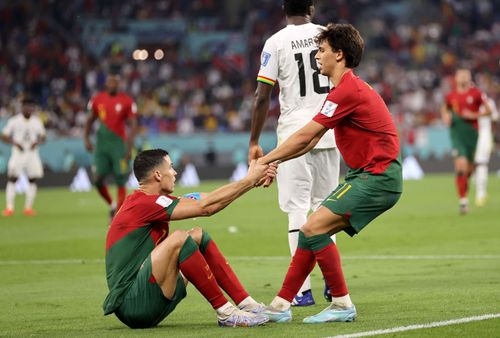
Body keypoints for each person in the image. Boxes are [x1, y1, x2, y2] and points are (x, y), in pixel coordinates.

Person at [257, 23, 402, 324]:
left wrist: (265, 160)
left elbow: (303, 135)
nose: (316, 57)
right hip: (367, 175)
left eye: (321, 51)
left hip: (377, 176)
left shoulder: (347, 90)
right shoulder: (342, 89)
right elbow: (308, 140)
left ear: (339, 54)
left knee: (311, 229)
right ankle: (281, 304)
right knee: (312, 230)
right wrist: (275, 163)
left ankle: (341, 303)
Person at [103, 148, 277, 328]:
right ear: (157, 174)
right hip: (132, 304)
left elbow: (206, 199)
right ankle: (226, 313)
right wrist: (248, 180)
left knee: (197, 235)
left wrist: (250, 181)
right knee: (179, 238)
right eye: (170, 167)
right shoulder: (142, 204)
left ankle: (248, 304)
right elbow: (205, 208)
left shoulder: (154, 201)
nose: (175, 172)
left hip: (148, 296)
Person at [248, 0, 340, 306]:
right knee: (327, 210)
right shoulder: (329, 35)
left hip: (293, 136)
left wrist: (254, 141)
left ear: (284, 9)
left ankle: (301, 290)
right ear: (312, 8)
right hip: (327, 131)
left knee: (296, 208)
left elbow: (263, 96)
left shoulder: (275, 42)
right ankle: (332, 282)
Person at [84, 73, 138, 219]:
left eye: (115, 82)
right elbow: (89, 120)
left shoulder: (126, 101)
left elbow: (133, 125)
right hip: (101, 144)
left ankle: (118, 214)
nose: (113, 84)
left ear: (119, 84)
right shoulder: (97, 99)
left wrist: (129, 147)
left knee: (120, 178)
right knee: (97, 179)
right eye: (110, 82)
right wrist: (86, 139)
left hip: (118, 144)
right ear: (106, 84)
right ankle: (112, 205)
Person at [441, 69, 492, 214]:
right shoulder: (451, 95)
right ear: (456, 78)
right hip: (457, 133)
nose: (463, 77)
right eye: (460, 75)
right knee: (461, 165)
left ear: (469, 77)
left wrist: (474, 114)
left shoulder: (476, 93)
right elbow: (444, 108)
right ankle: (463, 201)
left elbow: (489, 111)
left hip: (472, 134)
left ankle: (465, 189)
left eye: (466, 74)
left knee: (469, 169)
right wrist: (446, 116)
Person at [1, 96, 46, 216]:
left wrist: (37, 142)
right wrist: (15, 143)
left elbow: (43, 136)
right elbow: (4, 135)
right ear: (22, 107)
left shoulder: (37, 121)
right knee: (12, 178)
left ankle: (28, 208)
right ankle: (10, 208)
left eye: (31, 106)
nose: (28, 109)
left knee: (33, 179)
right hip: (18, 153)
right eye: (26, 106)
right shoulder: (14, 121)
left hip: (32, 153)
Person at [474, 95, 498, 206]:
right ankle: (480, 191)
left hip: (483, 134)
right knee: (477, 164)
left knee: (480, 163)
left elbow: (494, 119)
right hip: (476, 134)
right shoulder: (488, 102)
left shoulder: (487, 102)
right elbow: (495, 119)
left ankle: (481, 193)